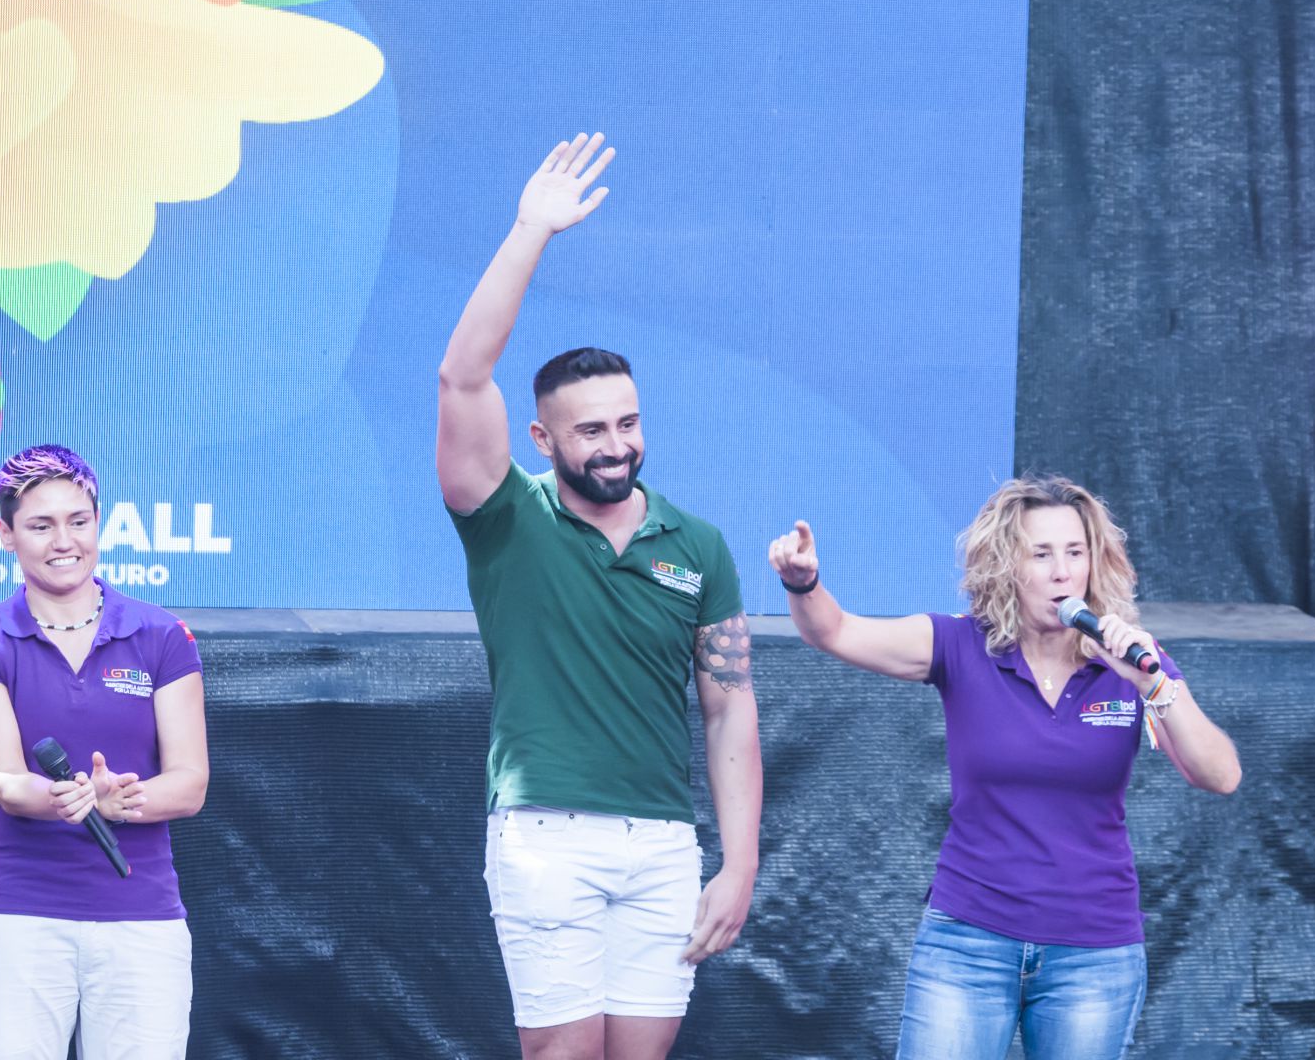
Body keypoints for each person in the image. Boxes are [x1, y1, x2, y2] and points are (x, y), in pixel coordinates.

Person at [437, 134, 762, 1060]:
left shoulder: (697, 545)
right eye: (590, 431)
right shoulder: (505, 514)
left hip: (662, 846)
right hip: (546, 837)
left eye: (628, 422)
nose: (615, 445)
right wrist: (531, 231)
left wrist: (738, 863)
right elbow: (462, 377)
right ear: (542, 439)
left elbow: (730, 710)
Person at [769, 475, 1242, 1060]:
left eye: (1075, 552)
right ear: (1006, 567)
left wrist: (1153, 683)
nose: (1062, 572)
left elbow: (1219, 775)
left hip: (1094, 954)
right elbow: (835, 631)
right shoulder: (961, 644)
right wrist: (803, 583)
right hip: (968, 943)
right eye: (1040, 555)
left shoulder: (1130, 659)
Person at [0, 444, 207, 1060]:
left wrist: (119, 801)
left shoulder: (162, 634)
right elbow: (7, 779)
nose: (64, 541)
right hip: (16, 917)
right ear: (5, 534)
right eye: (41, 525)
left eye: (78, 521)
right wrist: (79, 801)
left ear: (97, 524)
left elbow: (190, 782)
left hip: (142, 918)